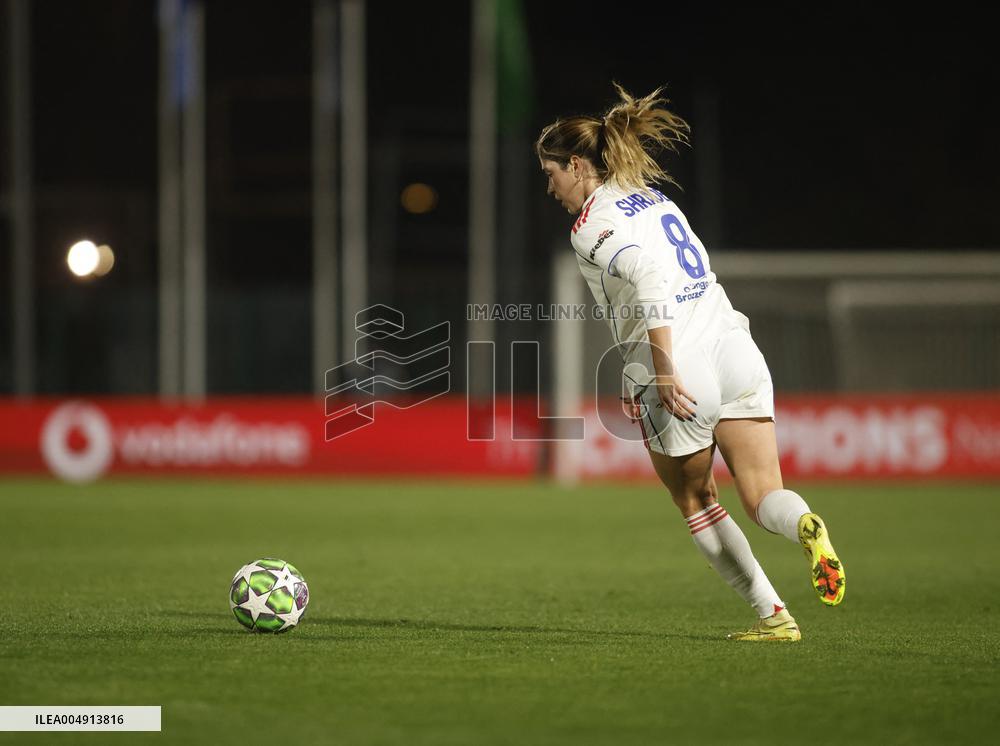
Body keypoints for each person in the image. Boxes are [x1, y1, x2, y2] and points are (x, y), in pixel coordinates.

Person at [536, 83, 845, 641]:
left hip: (682, 367)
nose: (550, 186)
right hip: (735, 348)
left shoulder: (590, 228)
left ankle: (774, 617)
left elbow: (650, 278)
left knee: (696, 499)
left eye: (551, 172)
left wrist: (661, 367)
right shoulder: (653, 197)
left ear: (577, 164)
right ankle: (802, 521)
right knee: (762, 493)